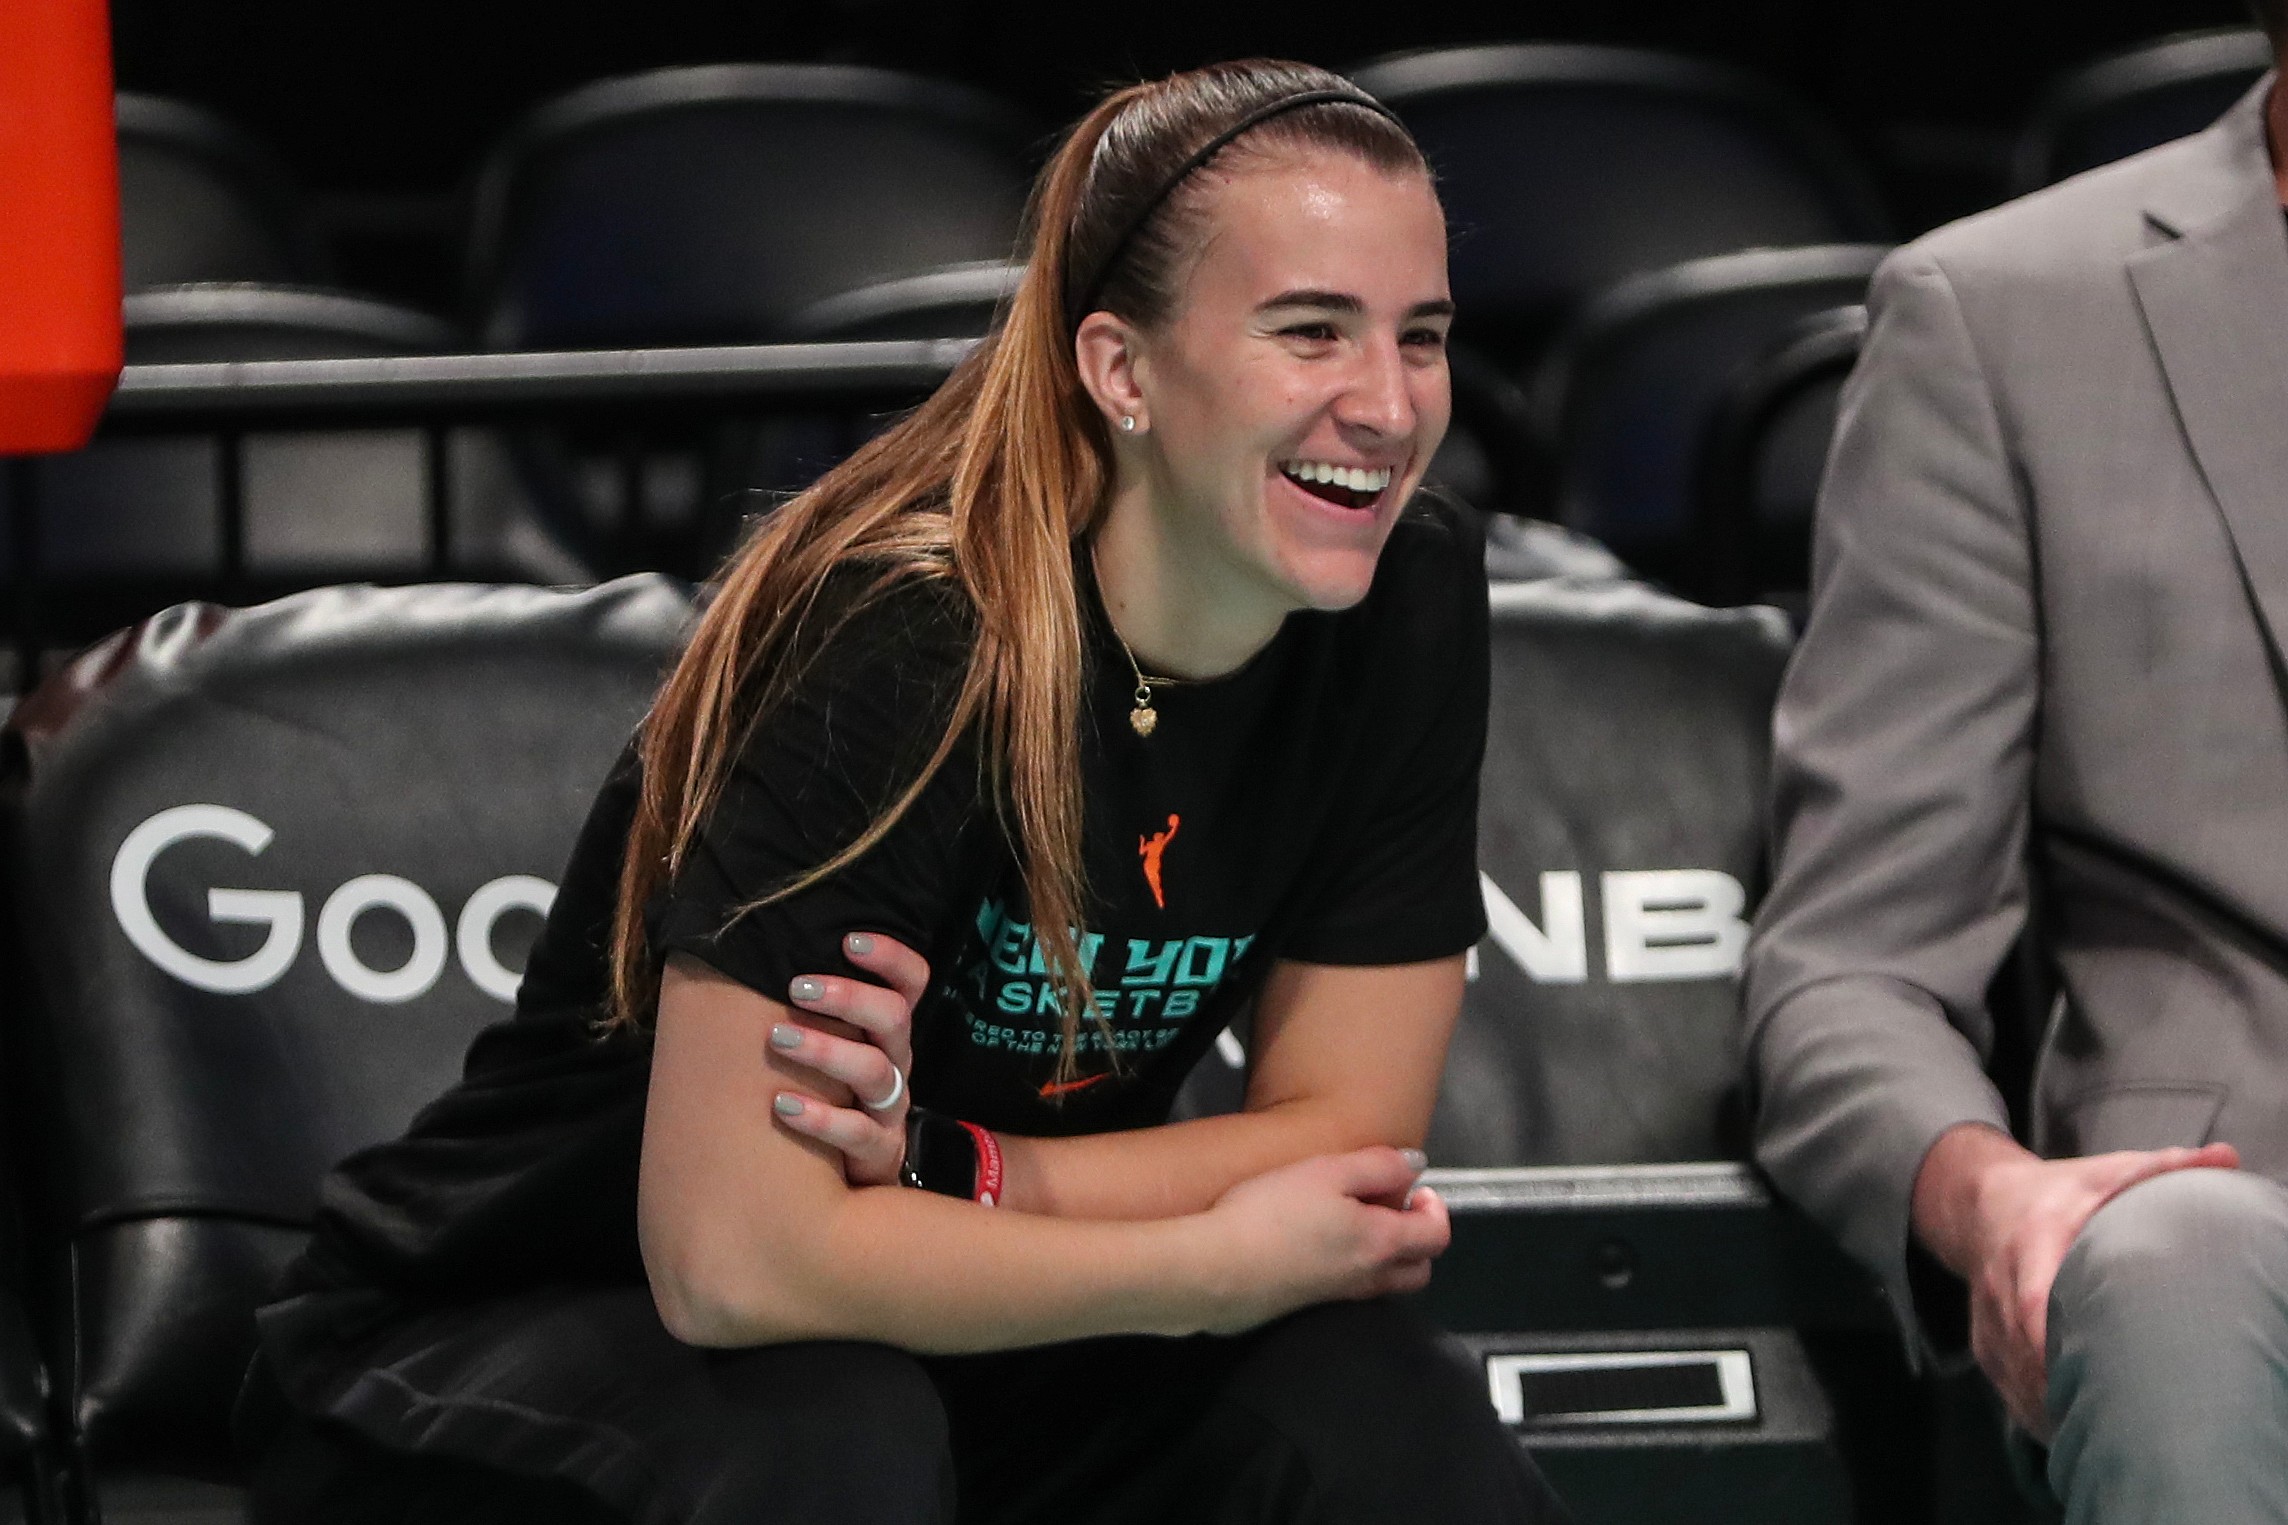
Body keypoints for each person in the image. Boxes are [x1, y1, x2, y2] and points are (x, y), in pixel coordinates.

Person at [238, 59, 1568, 1525]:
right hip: (511, 1324)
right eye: (1310, 331)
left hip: (943, 1312)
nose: (1386, 404)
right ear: (1121, 371)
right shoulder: (912, 633)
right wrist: (1201, 1265)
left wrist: (954, 1167)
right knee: (835, 1435)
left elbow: (1344, 1134)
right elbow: (735, 1261)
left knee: (1379, 1408)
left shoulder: (1405, 595)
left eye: (1422, 336)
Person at [1742, 13, 2288, 1523]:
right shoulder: (2006, 318)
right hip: (2237, 1238)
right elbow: (1850, 966)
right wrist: (1994, 1196)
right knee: (2175, 1260)